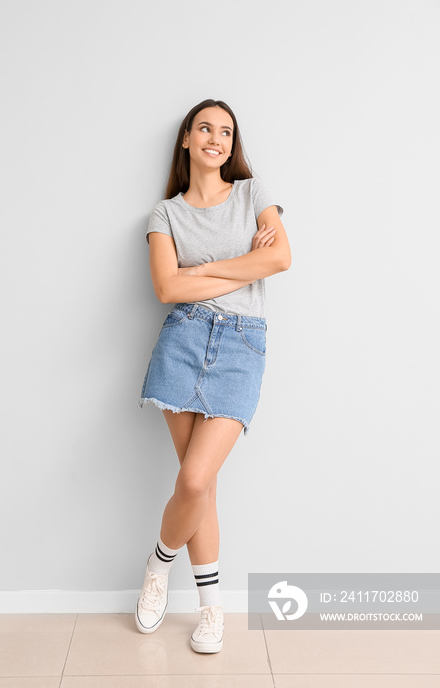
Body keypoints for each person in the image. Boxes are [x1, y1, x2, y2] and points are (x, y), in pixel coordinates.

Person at [135, 98, 291, 653]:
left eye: (226, 132)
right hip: (182, 341)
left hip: (242, 346)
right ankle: (211, 609)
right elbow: (167, 289)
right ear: (186, 139)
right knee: (199, 486)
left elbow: (278, 260)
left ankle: (159, 561)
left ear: (232, 144)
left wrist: (197, 270)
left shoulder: (252, 194)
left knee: (195, 480)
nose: (215, 139)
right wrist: (235, 265)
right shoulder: (165, 215)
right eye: (205, 128)